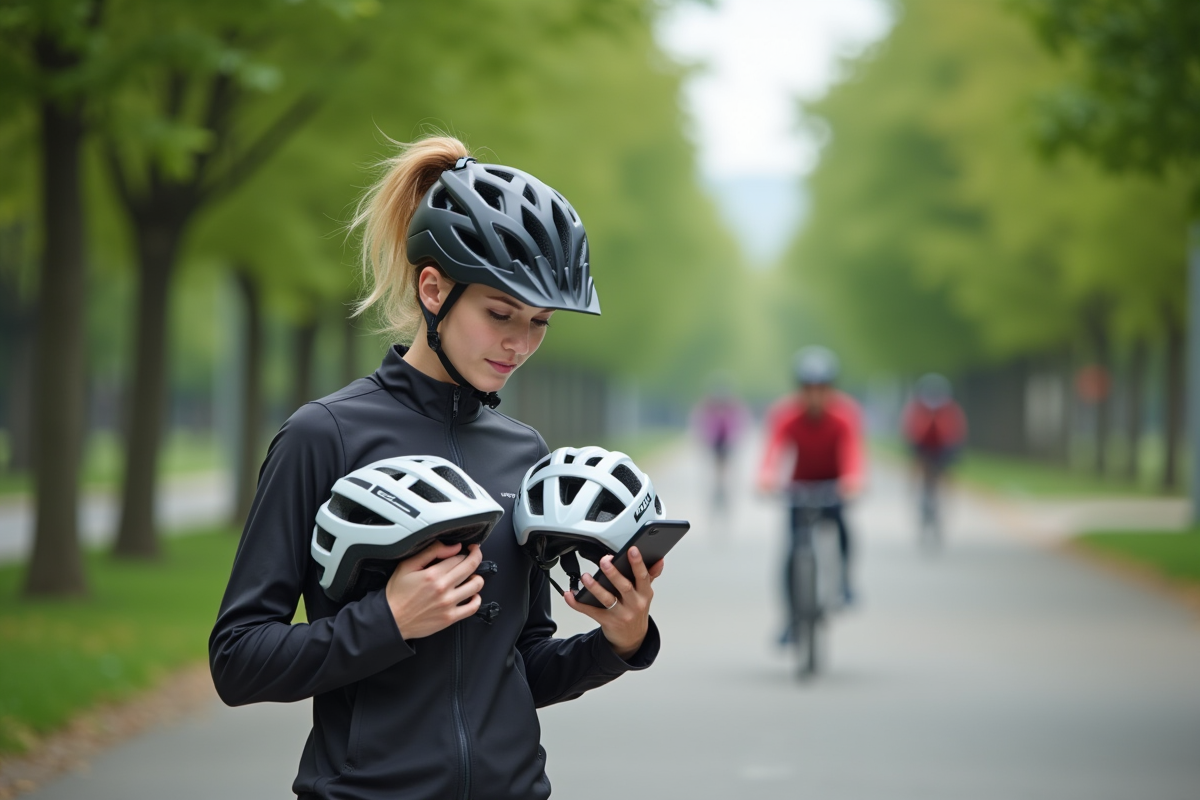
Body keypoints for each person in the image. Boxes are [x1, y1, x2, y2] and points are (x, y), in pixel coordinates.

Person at [208, 136, 663, 800]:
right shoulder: (323, 436)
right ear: (433, 289)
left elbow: (520, 668)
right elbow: (238, 660)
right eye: (500, 314)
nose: (520, 343)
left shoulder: (524, 453)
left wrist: (618, 642)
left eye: (540, 322)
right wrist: (387, 621)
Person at [758, 346, 865, 617]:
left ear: (831, 388)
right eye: (808, 387)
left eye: (822, 387)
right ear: (800, 389)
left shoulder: (844, 415)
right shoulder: (786, 415)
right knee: (793, 551)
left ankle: (844, 582)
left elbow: (852, 453)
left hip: (834, 483)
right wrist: (767, 477)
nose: (815, 394)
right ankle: (791, 619)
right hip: (800, 485)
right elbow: (772, 451)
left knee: (842, 529)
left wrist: (852, 480)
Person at [901, 373, 967, 543]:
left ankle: (946, 506)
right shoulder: (916, 409)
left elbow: (956, 432)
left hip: (943, 448)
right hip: (922, 446)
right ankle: (914, 496)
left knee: (947, 476)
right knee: (917, 468)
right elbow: (910, 431)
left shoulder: (950, 409)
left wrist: (954, 451)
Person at [691, 376, 748, 511]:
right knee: (718, 467)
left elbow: (738, 424)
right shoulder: (709, 408)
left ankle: (723, 487)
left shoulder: (732, 408)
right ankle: (719, 486)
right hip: (716, 442)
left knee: (724, 467)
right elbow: (703, 424)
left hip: (726, 442)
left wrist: (734, 439)